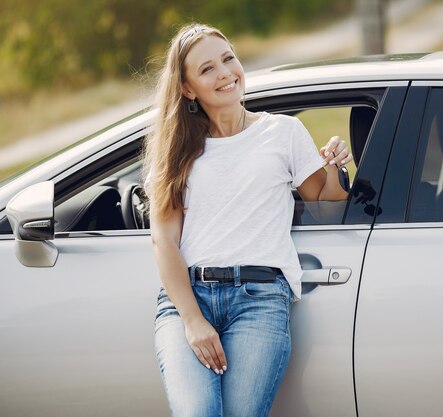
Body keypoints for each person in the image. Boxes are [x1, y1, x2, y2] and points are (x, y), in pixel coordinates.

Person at [142, 23, 353, 417]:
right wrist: (192, 320)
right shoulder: (175, 151)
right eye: (207, 69)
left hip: (260, 300)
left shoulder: (284, 132)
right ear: (187, 89)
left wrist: (338, 166)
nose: (225, 73)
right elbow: (164, 241)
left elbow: (326, 199)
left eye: (228, 59)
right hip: (189, 298)